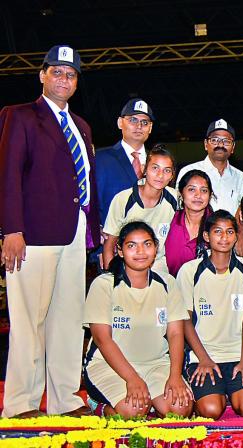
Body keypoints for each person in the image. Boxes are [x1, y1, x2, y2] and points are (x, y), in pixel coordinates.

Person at [0, 45, 100, 417]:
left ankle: (64, 399)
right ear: (41, 75)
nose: (64, 79)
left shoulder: (83, 126)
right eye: (56, 72)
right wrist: (12, 229)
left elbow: (86, 182)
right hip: (33, 234)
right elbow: (8, 175)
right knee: (29, 320)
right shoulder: (20, 116)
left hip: (75, 232)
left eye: (71, 74)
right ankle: (22, 402)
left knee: (69, 318)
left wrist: (93, 231)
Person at [83, 221, 193, 418]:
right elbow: (102, 339)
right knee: (134, 411)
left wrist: (175, 376)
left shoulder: (167, 283)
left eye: (147, 244)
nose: (141, 251)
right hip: (109, 366)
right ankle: (97, 406)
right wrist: (132, 378)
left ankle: (152, 400)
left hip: (156, 364)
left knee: (181, 408)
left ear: (156, 248)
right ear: (120, 251)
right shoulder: (104, 285)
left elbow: (176, 333)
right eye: (132, 245)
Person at [177, 210, 243, 418]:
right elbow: (185, 321)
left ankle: (227, 389)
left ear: (236, 236)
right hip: (203, 355)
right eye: (217, 232)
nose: (224, 238)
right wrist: (204, 359)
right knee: (211, 410)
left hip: (237, 354)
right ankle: (217, 392)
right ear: (207, 236)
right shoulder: (189, 271)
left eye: (229, 232)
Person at [102, 146, 178, 274]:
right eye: (155, 168)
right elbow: (109, 244)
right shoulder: (123, 199)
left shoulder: (176, 198)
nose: (160, 175)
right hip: (128, 265)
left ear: (172, 176)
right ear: (144, 169)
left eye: (167, 170)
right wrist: (111, 278)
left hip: (160, 265)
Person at [95, 98, 156, 224]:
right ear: (120, 122)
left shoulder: (158, 162)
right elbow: (92, 201)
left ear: (150, 128)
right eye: (133, 120)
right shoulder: (101, 159)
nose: (139, 126)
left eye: (145, 122)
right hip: (110, 238)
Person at [175, 119, 243, 214]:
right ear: (206, 144)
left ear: (233, 147)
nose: (220, 145)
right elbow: (178, 207)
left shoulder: (240, 178)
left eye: (226, 141)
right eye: (214, 140)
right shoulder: (188, 171)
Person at [164, 170, 213, 276]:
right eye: (191, 189)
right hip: (170, 288)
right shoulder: (169, 220)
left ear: (210, 196)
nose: (198, 195)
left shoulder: (217, 226)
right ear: (181, 193)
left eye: (204, 190)